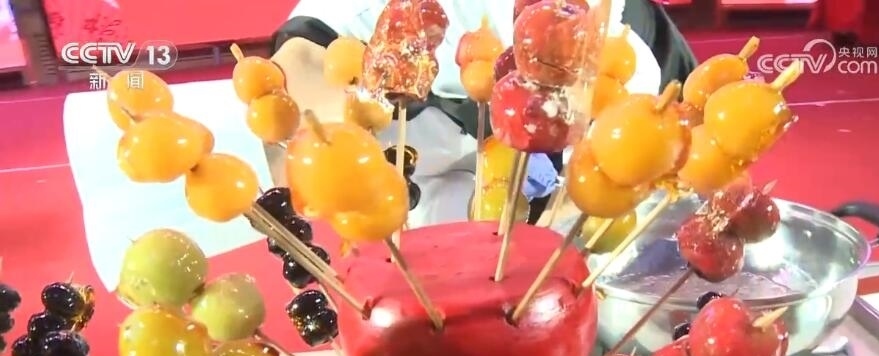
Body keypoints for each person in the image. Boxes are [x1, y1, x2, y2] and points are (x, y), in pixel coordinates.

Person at [267, 0, 697, 226]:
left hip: (588, 249)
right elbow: (297, 73)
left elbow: (689, 135)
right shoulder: (367, 12)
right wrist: (346, 125)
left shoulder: (634, 26)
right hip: (429, 245)